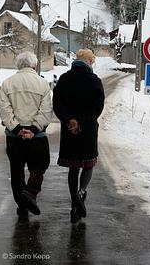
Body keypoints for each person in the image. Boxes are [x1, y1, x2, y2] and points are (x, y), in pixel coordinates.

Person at [53, 49, 105, 223]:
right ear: (89, 62)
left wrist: (70, 120)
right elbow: (98, 107)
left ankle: (73, 206)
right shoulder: (94, 80)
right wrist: (82, 121)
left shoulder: (64, 79)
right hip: (88, 129)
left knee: (73, 167)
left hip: (69, 129)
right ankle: (80, 193)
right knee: (89, 163)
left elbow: (57, 104)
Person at [0, 52, 53, 216]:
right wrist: (34, 129)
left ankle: (22, 205)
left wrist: (17, 129)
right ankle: (30, 192)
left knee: (16, 171)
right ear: (34, 66)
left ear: (18, 65)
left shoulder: (7, 84)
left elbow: (4, 110)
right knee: (40, 166)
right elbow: (45, 111)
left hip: (14, 138)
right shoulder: (43, 84)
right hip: (37, 138)